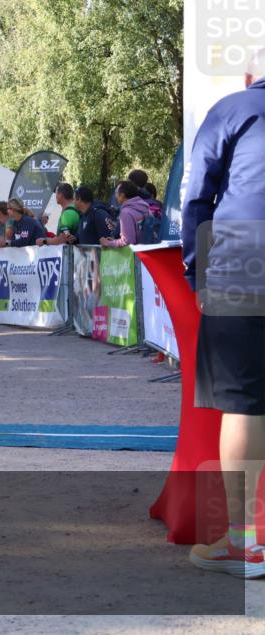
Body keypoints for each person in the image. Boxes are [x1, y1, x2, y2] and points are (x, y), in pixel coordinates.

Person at [182, 53, 265, 579]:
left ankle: (243, 545)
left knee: (244, 404)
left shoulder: (233, 108)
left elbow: (196, 199)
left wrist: (196, 270)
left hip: (242, 261)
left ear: (251, 76)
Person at [101, 180, 152, 247]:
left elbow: (128, 241)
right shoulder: (144, 207)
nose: (115, 196)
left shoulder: (126, 212)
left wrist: (108, 243)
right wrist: (115, 241)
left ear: (122, 195)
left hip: (136, 255)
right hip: (148, 252)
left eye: (116, 192)